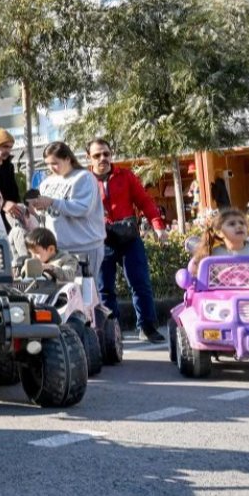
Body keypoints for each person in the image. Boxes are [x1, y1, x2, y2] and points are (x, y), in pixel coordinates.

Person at [88, 138, 169, 343]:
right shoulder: (85, 181)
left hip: (129, 239)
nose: (103, 158)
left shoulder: (126, 176)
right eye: (97, 155)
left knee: (140, 283)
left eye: (106, 153)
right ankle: (111, 333)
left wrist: (158, 227)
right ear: (89, 158)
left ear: (111, 154)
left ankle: (147, 327)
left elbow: (145, 202)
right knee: (105, 289)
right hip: (101, 241)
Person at [29, 142, 111, 333]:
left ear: (68, 158)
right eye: (48, 164)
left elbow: (82, 208)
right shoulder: (47, 182)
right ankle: (69, 332)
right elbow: (48, 213)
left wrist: (52, 202)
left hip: (85, 245)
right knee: (64, 294)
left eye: (55, 163)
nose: (52, 168)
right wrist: (38, 207)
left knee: (87, 295)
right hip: (58, 247)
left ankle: (95, 334)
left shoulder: (84, 178)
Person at [188, 208, 249, 274]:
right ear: (219, 233)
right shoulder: (213, 254)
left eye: (242, 223)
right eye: (232, 224)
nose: (239, 226)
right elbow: (198, 273)